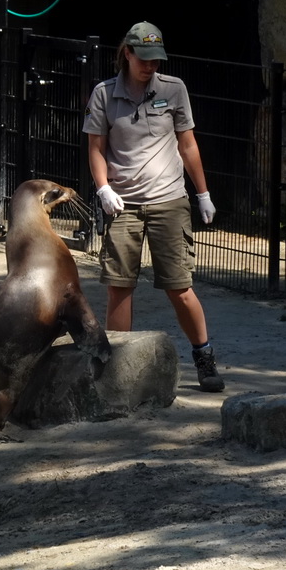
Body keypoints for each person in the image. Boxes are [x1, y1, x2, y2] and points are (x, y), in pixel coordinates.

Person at [82, 21, 224, 392]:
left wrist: (203, 193)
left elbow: (188, 145)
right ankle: (117, 367)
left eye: (156, 60)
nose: (150, 66)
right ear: (127, 53)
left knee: (179, 286)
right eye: (143, 59)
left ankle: (204, 357)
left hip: (169, 200)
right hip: (122, 204)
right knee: (119, 285)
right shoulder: (104, 94)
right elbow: (96, 148)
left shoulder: (173, 90)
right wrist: (103, 189)